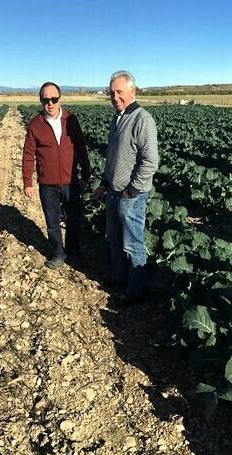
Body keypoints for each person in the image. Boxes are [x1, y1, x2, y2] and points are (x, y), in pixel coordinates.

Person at [92, 71, 159, 305]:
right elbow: (112, 158)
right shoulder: (117, 118)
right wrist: (103, 183)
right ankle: (119, 279)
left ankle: (136, 291)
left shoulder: (143, 119)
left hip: (130, 194)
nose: (115, 97)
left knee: (132, 242)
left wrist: (132, 189)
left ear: (132, 91)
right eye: (112, 93)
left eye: (119, 92)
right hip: (113, 191)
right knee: (115, 237)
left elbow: (150, 161)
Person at [22, 82, 91, 268]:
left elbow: (81, 147)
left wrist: (86, 172)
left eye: (54, 99)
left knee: (74, 218)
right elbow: (29, 154)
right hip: (47, 183)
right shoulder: (36, 123)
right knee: (52, 222)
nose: (50, 104)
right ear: (41, 101)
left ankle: (73, 251)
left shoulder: (70, 119)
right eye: (45, 100)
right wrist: (27, 181)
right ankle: (58, 253)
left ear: (60, 99)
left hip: (70, 181)